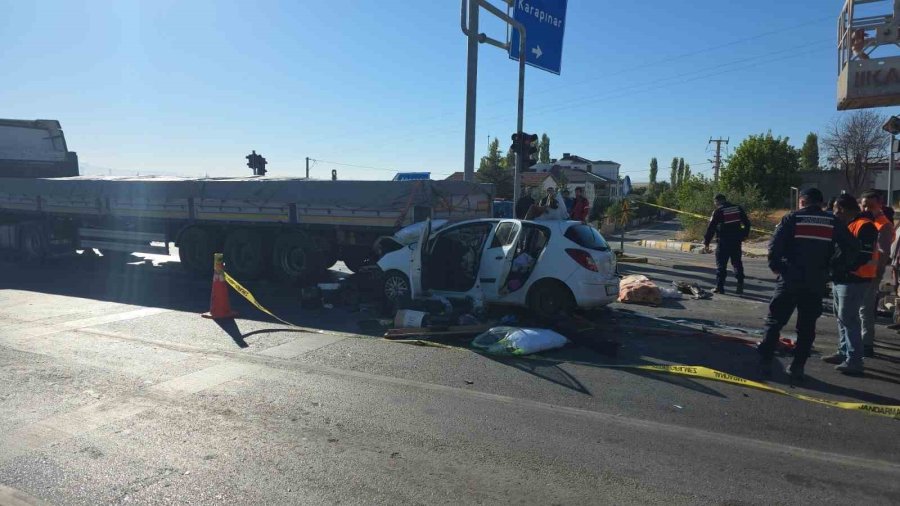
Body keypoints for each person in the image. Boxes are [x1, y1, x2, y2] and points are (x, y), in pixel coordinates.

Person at [757, 188, 857, 381]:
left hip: (790, 278)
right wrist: (833, 269)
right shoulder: (833, 221)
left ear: (802, 201)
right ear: (821, 202)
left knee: (774, 321)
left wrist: (777, 267)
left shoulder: (792, 218)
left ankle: (765, 363)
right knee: (806, 326)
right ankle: (797, 366)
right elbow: (852, 247)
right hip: (816, 281)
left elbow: (774, 246)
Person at [825, 194, 877, 376]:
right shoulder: (847, 225)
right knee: (841, 317)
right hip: (843, 278)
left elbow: (863, 255)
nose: (834, 213)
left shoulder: (865, 226)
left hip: (855, 278)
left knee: (849, 318)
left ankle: (854, 360)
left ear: (843, 209)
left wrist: (844, 270)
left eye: (836, 210)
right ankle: (843, 352)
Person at [859, 189, 894, 357]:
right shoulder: (864, 221)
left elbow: (883, 253)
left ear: (879, 205)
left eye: (870, 206)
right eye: (864, 205)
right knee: (859, 310)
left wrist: (876, 275)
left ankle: (866, 344)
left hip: (870, 274)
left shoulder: (883, 225)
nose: (866, 209)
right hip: (859, 272)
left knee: (866, 311)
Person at [703, 194, 752, 294]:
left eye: (715, 202)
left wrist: (706, 242)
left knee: (721, 264)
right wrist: (744, 235)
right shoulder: (738, 208)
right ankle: (740, 285)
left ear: (717, 201)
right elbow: (747, 223)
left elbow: (711, 228)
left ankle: (720, 287)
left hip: (723, 241)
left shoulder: (718, 211)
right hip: (736, 241)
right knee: (737, 263)